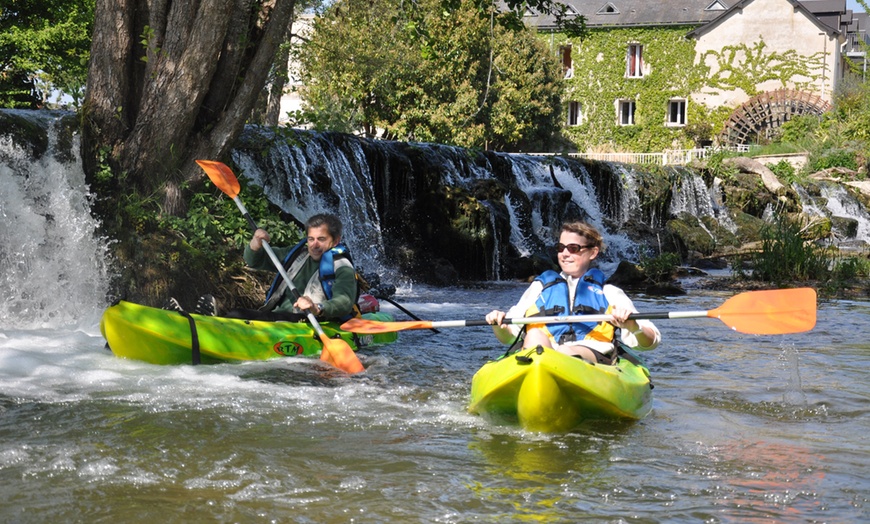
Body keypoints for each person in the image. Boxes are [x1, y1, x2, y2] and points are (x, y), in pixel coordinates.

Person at [485, 221, 660, 363]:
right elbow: (509, 337)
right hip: (539, 356)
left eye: (573, 248)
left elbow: (650, 343)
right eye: (561, 248)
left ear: (593, 252)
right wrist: (498, 326)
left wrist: (633, 326)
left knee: (564, 351)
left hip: (591, 355)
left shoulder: (609, 292)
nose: (565, 254)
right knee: (534, 335)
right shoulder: (540, 288)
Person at [225, 213, 360, 322]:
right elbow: (254, 261)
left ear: (335, 241)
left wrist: (317, 307)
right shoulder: (297, 255)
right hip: (278, 316)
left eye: (321, 239)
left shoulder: (342, 266)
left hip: (307, 320)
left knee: (237, 314)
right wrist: (255, 244)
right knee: (236, 313)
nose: (315, 245)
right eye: (311, 239)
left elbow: (345, 302)